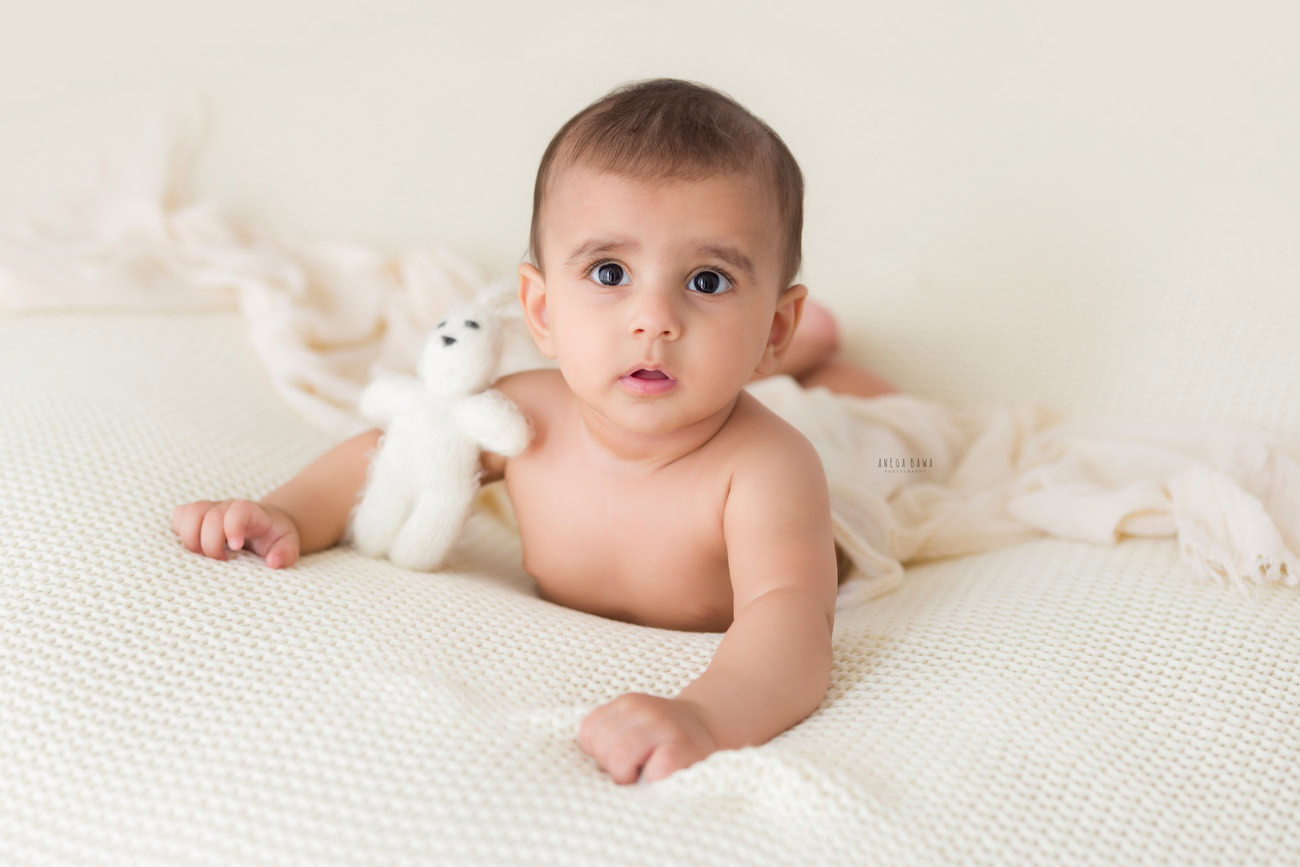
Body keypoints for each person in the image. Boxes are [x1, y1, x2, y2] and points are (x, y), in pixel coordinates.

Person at [172, 78, 900, 785]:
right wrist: (287, 512)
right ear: (542, 311)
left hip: (834, 461)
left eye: (707, 281)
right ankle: (800, 357)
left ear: (772, 322)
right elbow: (398, 455)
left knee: (877, 432)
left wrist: (707, 716)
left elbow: (791, 624)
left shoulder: (767, 468)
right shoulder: (526, 413)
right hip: (728, 369)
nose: (653, 319)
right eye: (610, 272)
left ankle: (820, 367)